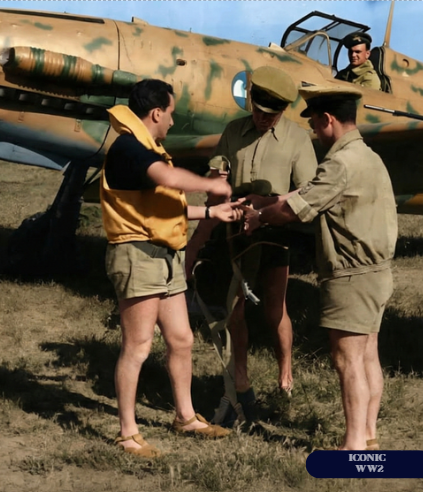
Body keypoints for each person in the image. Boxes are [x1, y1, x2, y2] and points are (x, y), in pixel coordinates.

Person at [242, 84, 397, 451]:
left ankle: (353, 446)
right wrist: (268, 199)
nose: (313, 131)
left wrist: (259, 216)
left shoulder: (339, 163)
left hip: (350, 275)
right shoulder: (367, 155)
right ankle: (368, 435)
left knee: (347, 361)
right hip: (376, 273)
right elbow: (313, 191)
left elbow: (296, 210)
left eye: (313, 124)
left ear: (328, 119)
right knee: (367, 355)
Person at [101, 79, 243, 457]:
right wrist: (212, 186)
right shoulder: (129, 148)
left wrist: (212, 213)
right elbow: (168, 179)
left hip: (165, 257)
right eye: (171, 113)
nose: (173, 122)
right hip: (138, 257)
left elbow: (165, 207)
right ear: (156, 113)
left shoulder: (148, 148)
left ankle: (186, 417)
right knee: (137, 347)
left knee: (182, 339)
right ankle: (127, 433)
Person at [186, 66, 318, 424]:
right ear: (251, 102)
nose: (262, 119)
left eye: (271, 115)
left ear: (283, 111)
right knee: (235, 308)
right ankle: (240, 379)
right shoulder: (233, 131)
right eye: (258, 111)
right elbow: (217, 178)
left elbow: (309, 189)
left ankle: (285, 370)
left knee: (275, 307)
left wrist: (268, 207)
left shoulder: (297, 139)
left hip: (274, 227)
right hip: (235, 228)